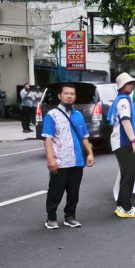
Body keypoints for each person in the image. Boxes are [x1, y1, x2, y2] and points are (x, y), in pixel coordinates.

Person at [42, 83, 95, 229]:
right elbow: (48, 138)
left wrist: (90, 153)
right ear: (60, 96)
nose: (69, 96)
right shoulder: (52, 115)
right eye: (66, 93)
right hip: (60, 161)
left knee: (74, 192)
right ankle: (51, 218)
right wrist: (50, 158)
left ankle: (70, 216)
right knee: (56, 191)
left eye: (72, 94)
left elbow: (84, 137)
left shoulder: (78, 115)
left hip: (77, 160)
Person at [108, 73, 135, 218]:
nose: (131, 86)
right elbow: (125, 120)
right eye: (128, 83)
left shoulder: (123, 100)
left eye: (131, 83)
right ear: (122, 86)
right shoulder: (123, 101)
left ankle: (123, 205)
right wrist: (134, 141)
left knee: (127, 175)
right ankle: (125, 207)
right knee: (128, 176)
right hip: (124, 142)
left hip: (122, 142)